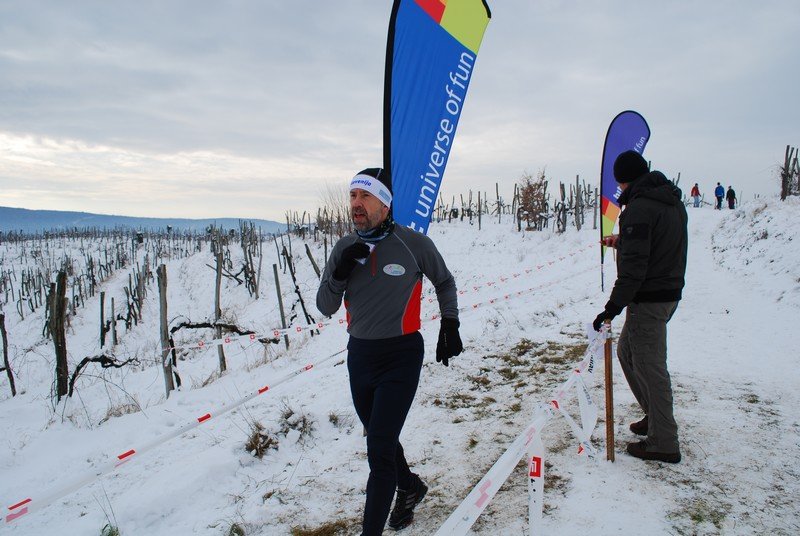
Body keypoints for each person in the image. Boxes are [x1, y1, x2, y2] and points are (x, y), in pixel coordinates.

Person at [316, 167, 463, 535]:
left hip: (401, 355)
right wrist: (340, 272)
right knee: (380, 437)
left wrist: (450, 323)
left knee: (379, 450)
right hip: (360, 357)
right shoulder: (344, 248)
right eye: (353, 196)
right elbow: (325, 306)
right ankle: (410, 486)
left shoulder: (414, 244)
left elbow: (444, 282)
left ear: (384, 203)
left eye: (365, 196)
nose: (356, 203)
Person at [593, 150, 687, 464]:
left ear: (625, 179)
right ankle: (655, 417)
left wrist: (611, 307)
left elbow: (633, 270)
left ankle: (664, 442)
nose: (619, 188)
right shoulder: (668, 201)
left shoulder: (639, 208)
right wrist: (622, 241)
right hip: (665, 294)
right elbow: (655, 244)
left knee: (650, 366)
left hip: (649, 298)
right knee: (627, 353)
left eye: (619, 182)